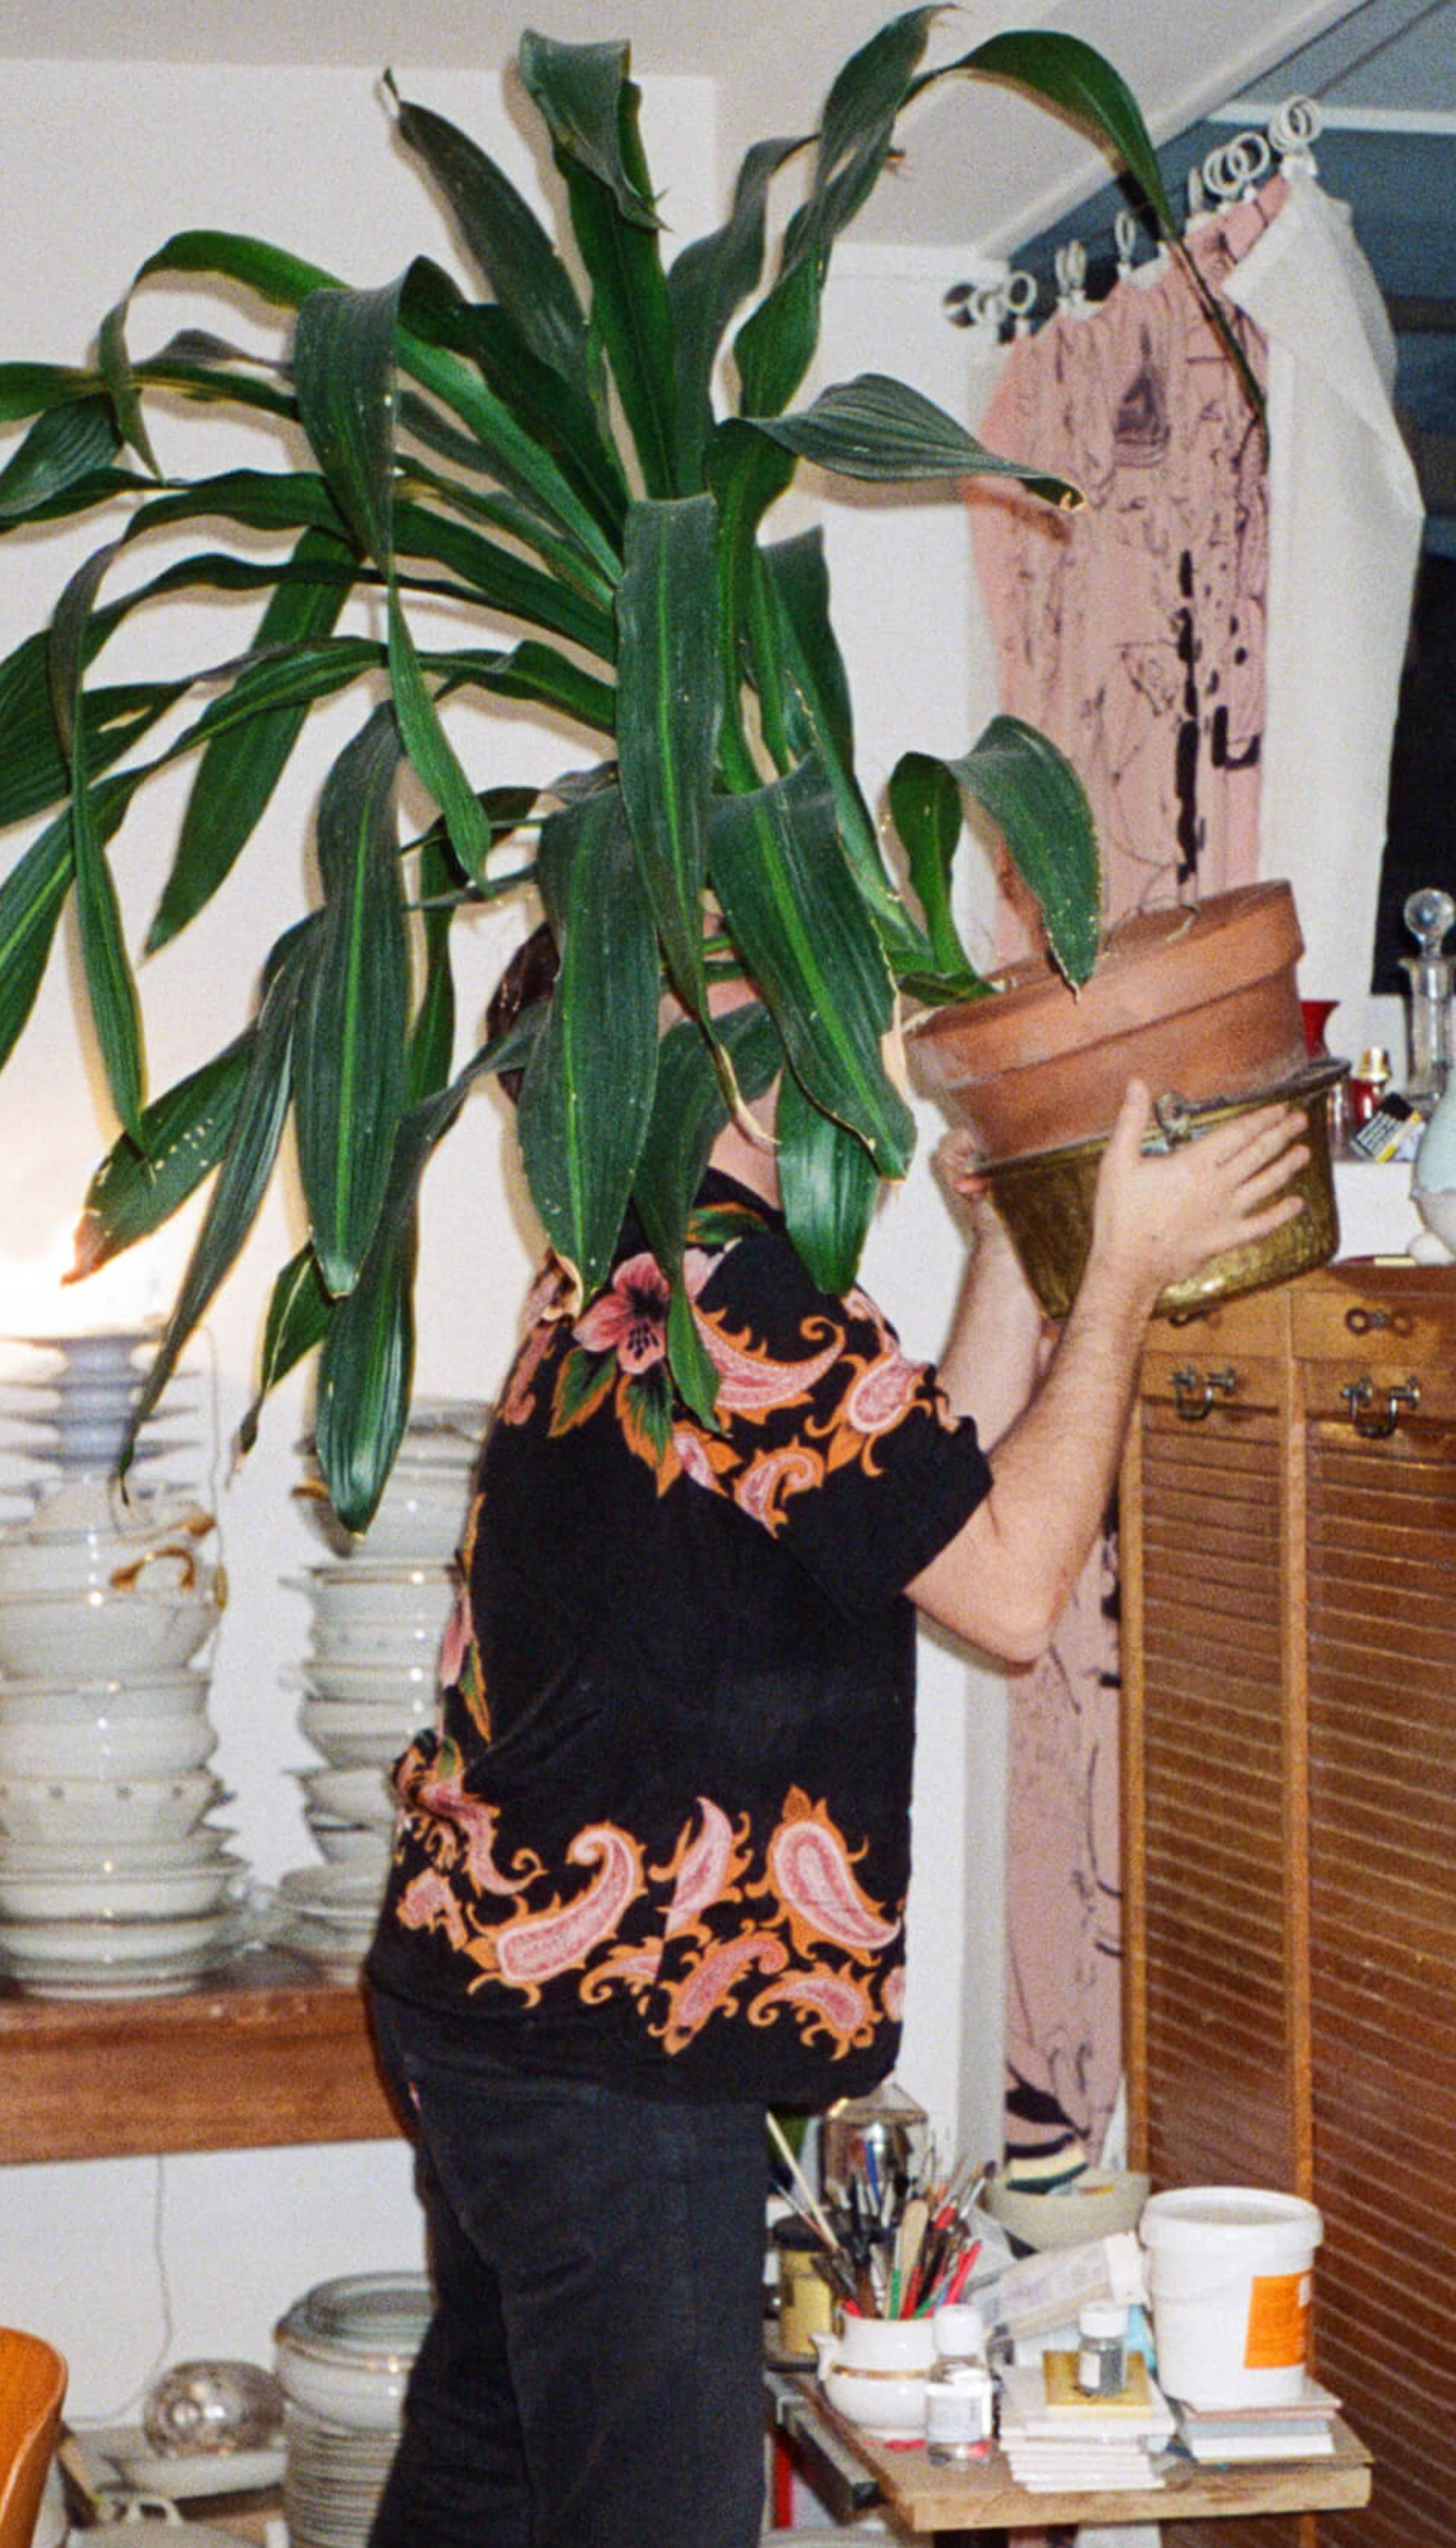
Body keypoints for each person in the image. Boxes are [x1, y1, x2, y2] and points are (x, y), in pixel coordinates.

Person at [362, 943, 1307, 2548]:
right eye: (707, 984)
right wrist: (1129, 1276)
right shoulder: (734, 1290)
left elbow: (916, 1505)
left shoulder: (651, 1266)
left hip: (494, 2012)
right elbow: (1009, 1592)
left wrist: (1017, 1237)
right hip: (620, 2058)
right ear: (640, 1066)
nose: (767, 991)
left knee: (490, 2487)